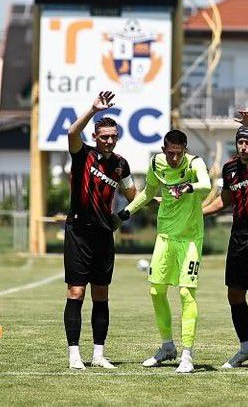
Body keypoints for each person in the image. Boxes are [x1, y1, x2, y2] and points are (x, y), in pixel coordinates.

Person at [118, 129, 211, 374]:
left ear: (185, 150)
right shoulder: (156, 163)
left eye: (178, 154)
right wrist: (126, 212)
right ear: (163, 150)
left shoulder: (194, 164)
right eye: (170, 153)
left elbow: (206, 186)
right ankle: (167, 346)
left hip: (190, 239)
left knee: (185, 294)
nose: (174, 159)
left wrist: (189, 187)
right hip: (165, 237)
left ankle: (187, 355)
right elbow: (148, 192)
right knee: (155, 290)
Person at [63, 91, 136, 370]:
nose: (108, 140)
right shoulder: (83, 156)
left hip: (104, 236)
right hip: (78, 232)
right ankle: (74, 355)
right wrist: (93, 110)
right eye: (103, 136)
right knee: (76, 293)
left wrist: (133, 210)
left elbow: (133, 195)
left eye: (112, 136)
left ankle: (98, 354)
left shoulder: (120, 164)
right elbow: (72, 132)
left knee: (101, 296)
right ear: (95, 137)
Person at [201, 111, 248, 374]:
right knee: (234, 293)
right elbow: (224, 200)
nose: (243, 146)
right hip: (239, 238)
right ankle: (246, 346)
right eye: (240, 142)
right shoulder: (229, 168)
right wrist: (195, 212)